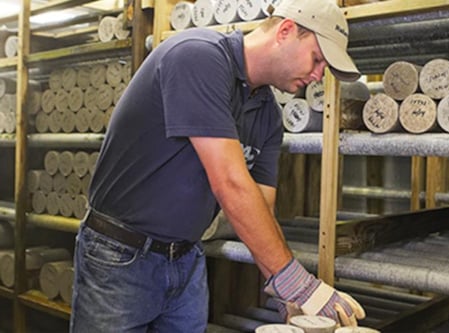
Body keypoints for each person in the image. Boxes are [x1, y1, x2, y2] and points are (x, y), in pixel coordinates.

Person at [70, 0, 365, 331]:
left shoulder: (267, 114)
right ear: (285, 31)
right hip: (120, 257)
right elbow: (230, 183)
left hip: (186, 259)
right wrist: (298, 284)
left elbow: (260, 209)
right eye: (317, 59)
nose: (317, 75)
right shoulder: (198, 57)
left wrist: (288, 299)